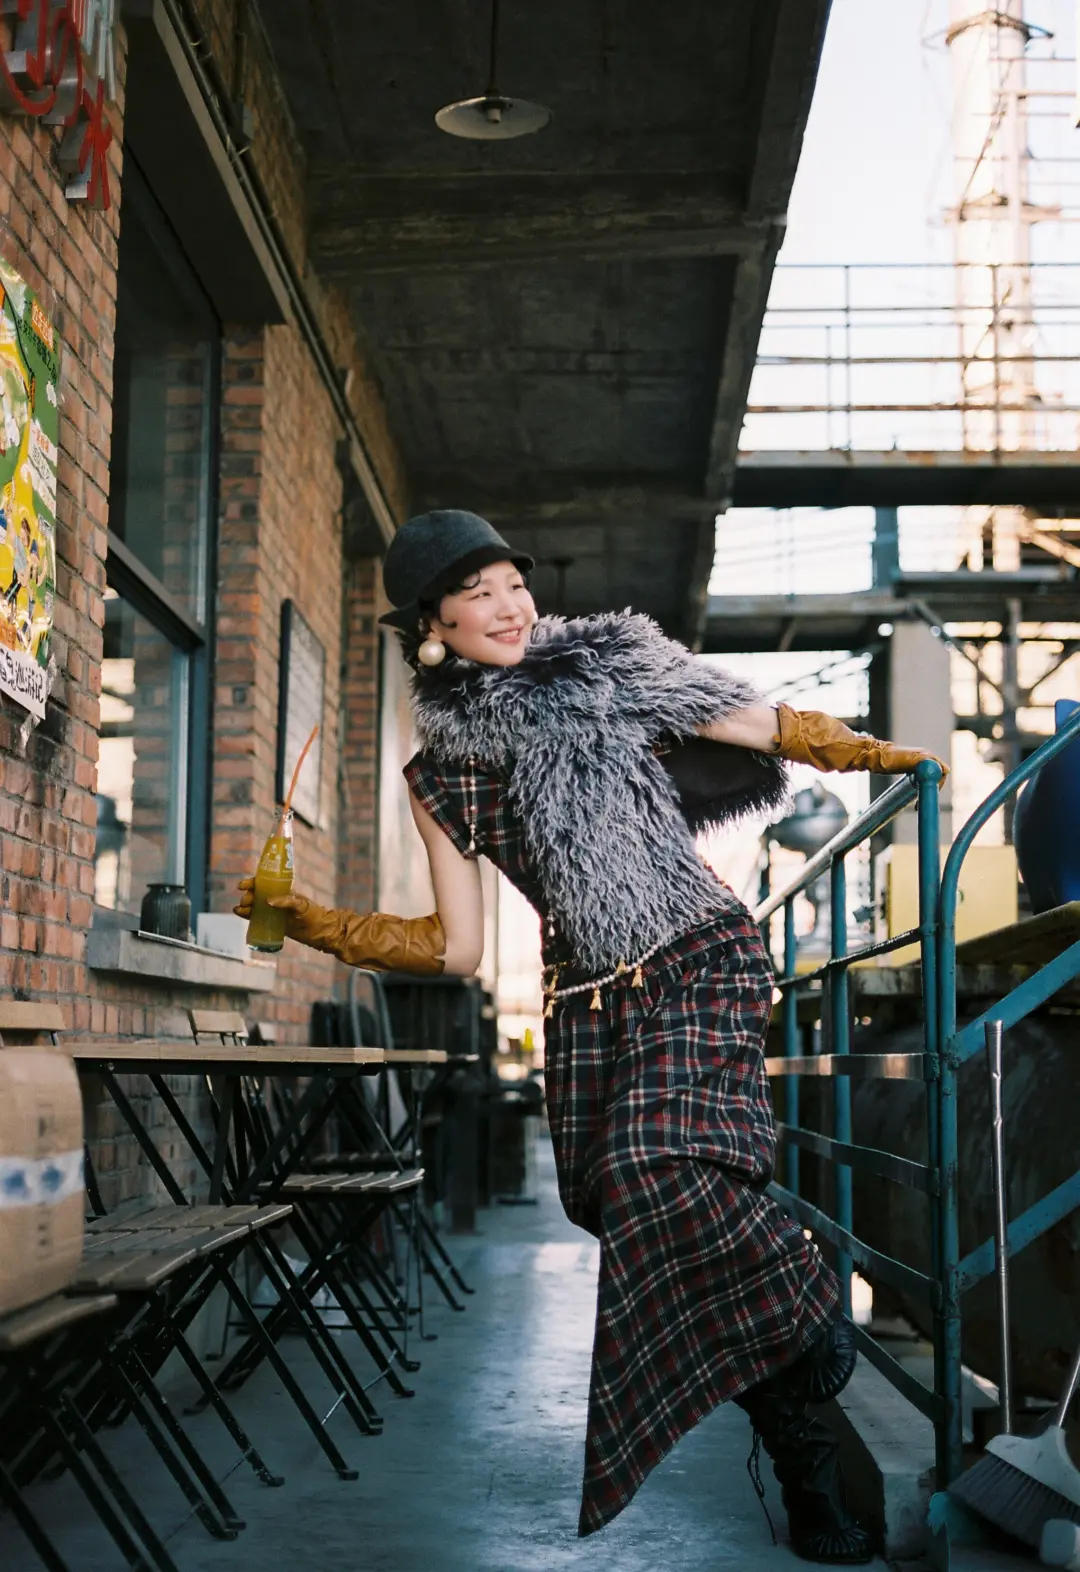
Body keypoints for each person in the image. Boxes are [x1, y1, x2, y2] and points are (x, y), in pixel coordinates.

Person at [236, 510, 946, 1564]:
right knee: (630, 1210)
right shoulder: (440, 777)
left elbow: (756, 724)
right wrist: (316, 925)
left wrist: (881, 756)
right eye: (475, 592)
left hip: (700, 960)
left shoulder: (606, 668)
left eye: (511, 582)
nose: (507, 604)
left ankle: (803, 1308)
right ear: (432, 625)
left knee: (655, 1168)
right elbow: (456, 947)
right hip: (589, 1002)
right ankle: (803, 1451)